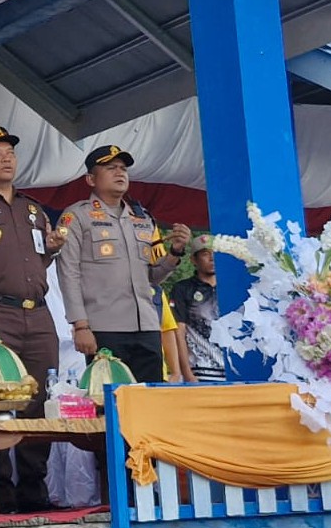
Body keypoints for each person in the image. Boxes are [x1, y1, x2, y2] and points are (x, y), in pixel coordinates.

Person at [0, 125, 64, 513]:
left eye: (10, 152)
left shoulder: (33, 209)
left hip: (38, 313)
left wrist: (51, 249)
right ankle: (0, 494)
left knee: (40, 399)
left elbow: (37, 261)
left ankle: (34, 490)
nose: (6, 159)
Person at [56, 145, 190, 383]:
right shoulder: (76, 216)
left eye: (123, 168)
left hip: (147, 326)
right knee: (109, 398)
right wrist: (80, 325)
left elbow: (152, 277)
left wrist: (175, 251)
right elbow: (68, 273)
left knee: (148, 398)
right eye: (110, 168)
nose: (120, 173)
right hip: (104, 327)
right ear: (91, 179)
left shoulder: (142, 218)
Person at [171, 234, 225, 382]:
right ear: (193, 260)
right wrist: (187, 373)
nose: (212, 258)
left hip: (232, 370)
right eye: (205, 254)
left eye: (215, 253)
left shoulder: (230, 288)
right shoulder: (183, 288)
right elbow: (179, 332)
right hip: (200, 370)